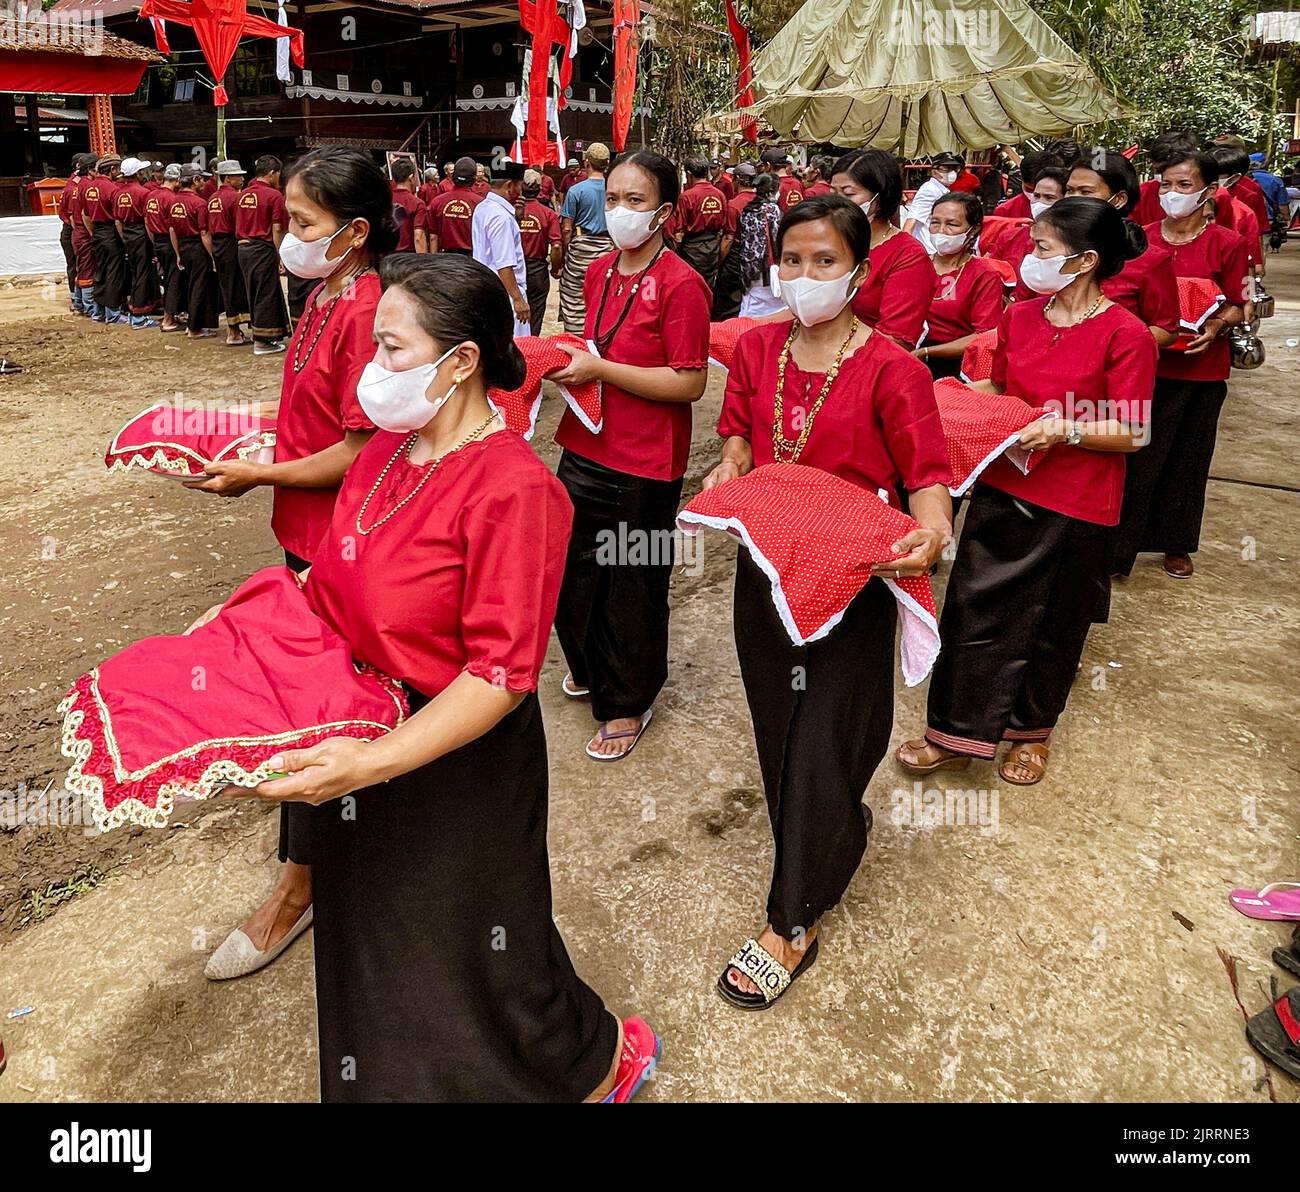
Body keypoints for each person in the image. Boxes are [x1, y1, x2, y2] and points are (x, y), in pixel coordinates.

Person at [195, 252, 658, 1102]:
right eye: (374, 348)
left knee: (477, 940)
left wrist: (371, 763)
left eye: (393, 351)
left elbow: (499, 676)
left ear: (463, 360)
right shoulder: (382, 457)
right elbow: (328, 585)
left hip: (455, 760)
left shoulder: (517, 491)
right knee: (372, 941)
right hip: (358, 733)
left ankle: (579, 1066)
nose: (373, 372)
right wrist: (233, 646)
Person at [704, 194, 952, 1008]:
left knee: (828, 738)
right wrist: (729, 468)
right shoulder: (755, 348)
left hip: (856, 580)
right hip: (768, 570)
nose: (804, 277)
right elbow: (739, 435)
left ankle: (792, 917)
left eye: (825, 263)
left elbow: (925, 476)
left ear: (861, 270)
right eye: (792, 261)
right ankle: (830, 834)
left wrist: (933, 531)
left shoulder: (895, 369)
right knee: (780, 730)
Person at [194, 149, 394, 981]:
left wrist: (261, 473)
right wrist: (245, 450)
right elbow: (306, 420)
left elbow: (358, 451)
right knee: (299, 703)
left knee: (317, 712)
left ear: (353, 232)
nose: (288, 237)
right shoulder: (321, 295)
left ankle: (299, 886)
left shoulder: (372, 313)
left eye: (302, 224)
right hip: (299, 529)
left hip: (338, 545)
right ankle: (324, 858)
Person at [897, 198, 1157, 786]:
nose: (1027, 260)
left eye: (1040, 249)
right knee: (973, 612)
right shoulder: (1020, 317)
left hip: (1079, 500)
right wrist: (943, 396)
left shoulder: (1126, 333)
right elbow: (1003, 386)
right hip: (1006, 482)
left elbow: (1133, 430)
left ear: (1085, 260)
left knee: (1052, 623)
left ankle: (1030, 733)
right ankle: (954, 732)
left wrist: (1065, 428)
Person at [547, 150, 711, 761]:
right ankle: (591, 667)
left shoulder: (682, 284)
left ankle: (628, 700)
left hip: (645, 462)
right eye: (611, 198)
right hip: (583, 443)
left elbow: (688, 381)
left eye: (634, 201)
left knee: (631, 583)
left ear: (665, 213)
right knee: (574, 570)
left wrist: (601, 368)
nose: (618, 212)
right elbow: (591, 345)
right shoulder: (599, 272)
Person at [1112, 149, 1251, 581]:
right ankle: (1121, 548)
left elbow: (1243, 303)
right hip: (1145, 366)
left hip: (1200, 370)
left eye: (1184, 185)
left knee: (1188, 460)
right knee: (1138, 459)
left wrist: (1217, 327)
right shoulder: (1141, 237)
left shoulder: (1229, 243)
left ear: (1209, 191)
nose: (1173, 194)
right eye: (1166, 184)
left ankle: (1177, 543)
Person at [1064, 152, 1180, 347]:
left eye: (1086, 192)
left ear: (1118, 200)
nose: (1073, 200)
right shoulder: (1048, 251)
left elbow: (1166, 329)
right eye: (1069, 191)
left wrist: (1107, 347)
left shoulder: (1149, 259)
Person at [832, 149, 938, 349]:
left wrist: (827, 350)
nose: (836, 203)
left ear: (879, 198)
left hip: (868, 361)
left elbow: (895, 339)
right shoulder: (829, 240)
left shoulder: (907, 255)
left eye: (848, 194)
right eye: (832, 193)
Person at [917, 191, 1004, 377]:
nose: (941, 231)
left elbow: (984, 335)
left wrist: (926, 353)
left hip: (956, 364)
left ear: (973, 230)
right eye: (935, 222)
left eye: (952, 224)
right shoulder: (916, 265)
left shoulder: (984, 275)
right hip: (910, 352)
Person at [236, 154, 291, 355]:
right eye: (278, 174)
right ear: (272, 173)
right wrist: (280, 255)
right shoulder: (274, 196)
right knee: (266, 293)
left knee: (254, 291)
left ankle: (261, 335)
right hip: (262, 248)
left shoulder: (242, 194)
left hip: (243, 248)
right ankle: (263, 341)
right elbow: (277, 229)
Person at [471, 159, 531, 337]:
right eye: (519, 186)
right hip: (506, 293)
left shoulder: (483, 208)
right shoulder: (501, 217)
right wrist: (518, 300)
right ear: (510, 186)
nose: (520, 192)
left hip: (487, 288)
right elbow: (504, 263)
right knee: (514, 346)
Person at [558, 142, 613, 335]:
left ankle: (576, 337)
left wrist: (565, 255)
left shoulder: (576, 190)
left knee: (574, 296)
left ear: (586, 162)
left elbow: (566, 229)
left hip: (581, 247)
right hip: (609, 247)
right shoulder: (614, 190)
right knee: (604, 294)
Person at [168, 165, 220, 339]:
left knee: (190, 285)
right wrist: (213, 256)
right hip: (198, 247)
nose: (205, 182)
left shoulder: (174, 201)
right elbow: (204, 233)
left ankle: (192, 323)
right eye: (202, 179)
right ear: (195, 180)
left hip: (182, 246)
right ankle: (195, 328)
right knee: (199, 286)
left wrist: (177, 254)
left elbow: (172, 230)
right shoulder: (199, 203)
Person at [665, 154, 727, 289]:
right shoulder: (719, 195)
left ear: (689, 174)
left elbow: (679, 234)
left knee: (691, 287)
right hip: (713, 249)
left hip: (692, 250)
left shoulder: (686, 197)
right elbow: (723, 227)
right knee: (709, 287)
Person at [112, 158, 161, 329]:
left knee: (135, 272)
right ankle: (139, 316)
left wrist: (125, 239)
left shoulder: (118, 193)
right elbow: (147, 221)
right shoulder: (142, 193)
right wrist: (152, 242)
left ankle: (136, 307)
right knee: (143, 273)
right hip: (141, 234)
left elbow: (118, 221)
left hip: (127, 234)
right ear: (137, 174)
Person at [207, 159, 250, 346]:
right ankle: (233, 332)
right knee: (236, 287)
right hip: (231, 242)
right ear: (228, 178)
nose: (241, 179)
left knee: (226, 286)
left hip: (217, 245)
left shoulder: (212, 199)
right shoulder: (235, 198)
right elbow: (239, 225)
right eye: (238, 176)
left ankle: (234, 329)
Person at [82, 154, 129, 325]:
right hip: (110, 233)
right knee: (113, 273)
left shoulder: (90, 188)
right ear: (112, 170)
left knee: (100, 271)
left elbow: (85, 215)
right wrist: (123, 240)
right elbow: (117, 220)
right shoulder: (113, 189)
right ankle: (113, 313)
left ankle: (98, 312)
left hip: (97, 233)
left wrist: (94, 233)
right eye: (117, 169)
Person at [518, 169, 563, 336]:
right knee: (535, 316)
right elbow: (556, 247)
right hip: (537, 269)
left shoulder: (511, 211)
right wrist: (555, 268)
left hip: (514, 269)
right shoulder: (548, 214)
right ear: (539, 189)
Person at [712, 161, 758, 320]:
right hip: (757, 257)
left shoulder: (734, 205)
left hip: (736, 257)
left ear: (737, 181)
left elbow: (728, 238)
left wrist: (717, 263)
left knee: (727, 301)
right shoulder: (764, 201)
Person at [736, 173, 785, 318]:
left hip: (749, 266)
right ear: (771, 192)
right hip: (767, 265)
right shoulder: (772, 210)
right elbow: (776, 236)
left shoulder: (748, 210)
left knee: (752, 303)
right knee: (772, 305)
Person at [145, 164, 183, 333]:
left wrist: (154, 242)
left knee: (167, 278)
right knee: (173, 280)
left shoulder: (151, 196)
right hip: (169, 241)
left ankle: (171, 315)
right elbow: (173, 228)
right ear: (177, 180)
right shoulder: (172, 199)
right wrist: (177, 251)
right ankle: (169, 318)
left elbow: (147, 222)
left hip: (157, 240)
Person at [903, 151, 963, 250]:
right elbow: (912, 220)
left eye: (954, 168)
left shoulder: (941, 189)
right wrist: (905, 248)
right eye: (946, 169)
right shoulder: (929, 190)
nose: (951, 172)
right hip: (927, 248)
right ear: (934, 172)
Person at [63, 154, 99, 318]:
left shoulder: (74, 187)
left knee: (81, 267)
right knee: (88, 270)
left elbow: (70, 215)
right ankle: (90, 307)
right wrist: (92, 234)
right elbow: (87, 215)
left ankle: (78, 302)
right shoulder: (89, 187)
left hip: (76, 232)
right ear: (92, 169)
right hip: (84, 233)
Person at [425, 156, 482, 256]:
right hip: (472, 259)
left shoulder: (437, 202)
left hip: (445, 258)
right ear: (474, 179)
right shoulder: (481, 204)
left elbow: (433, 237)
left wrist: (433, 261)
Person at [56, 156, 88, 315]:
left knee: (77, 265)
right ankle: (77, 300)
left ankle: (79, 300)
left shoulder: (71, 184)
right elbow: (70, 215)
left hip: (72, 229)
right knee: (76, 265)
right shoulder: (75, 187)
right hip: (73, 229)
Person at [993, 150, 1061, 218]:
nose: (1039, 201)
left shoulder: (1068, 211)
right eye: (1029, 190)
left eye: (1048, 197)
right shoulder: (1004, 211)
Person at [390, 157, 429, 254]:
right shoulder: (417, 204)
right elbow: (418, 237)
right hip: (406, 257)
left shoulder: (384, 200)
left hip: (386, 256)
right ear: (411, 178)